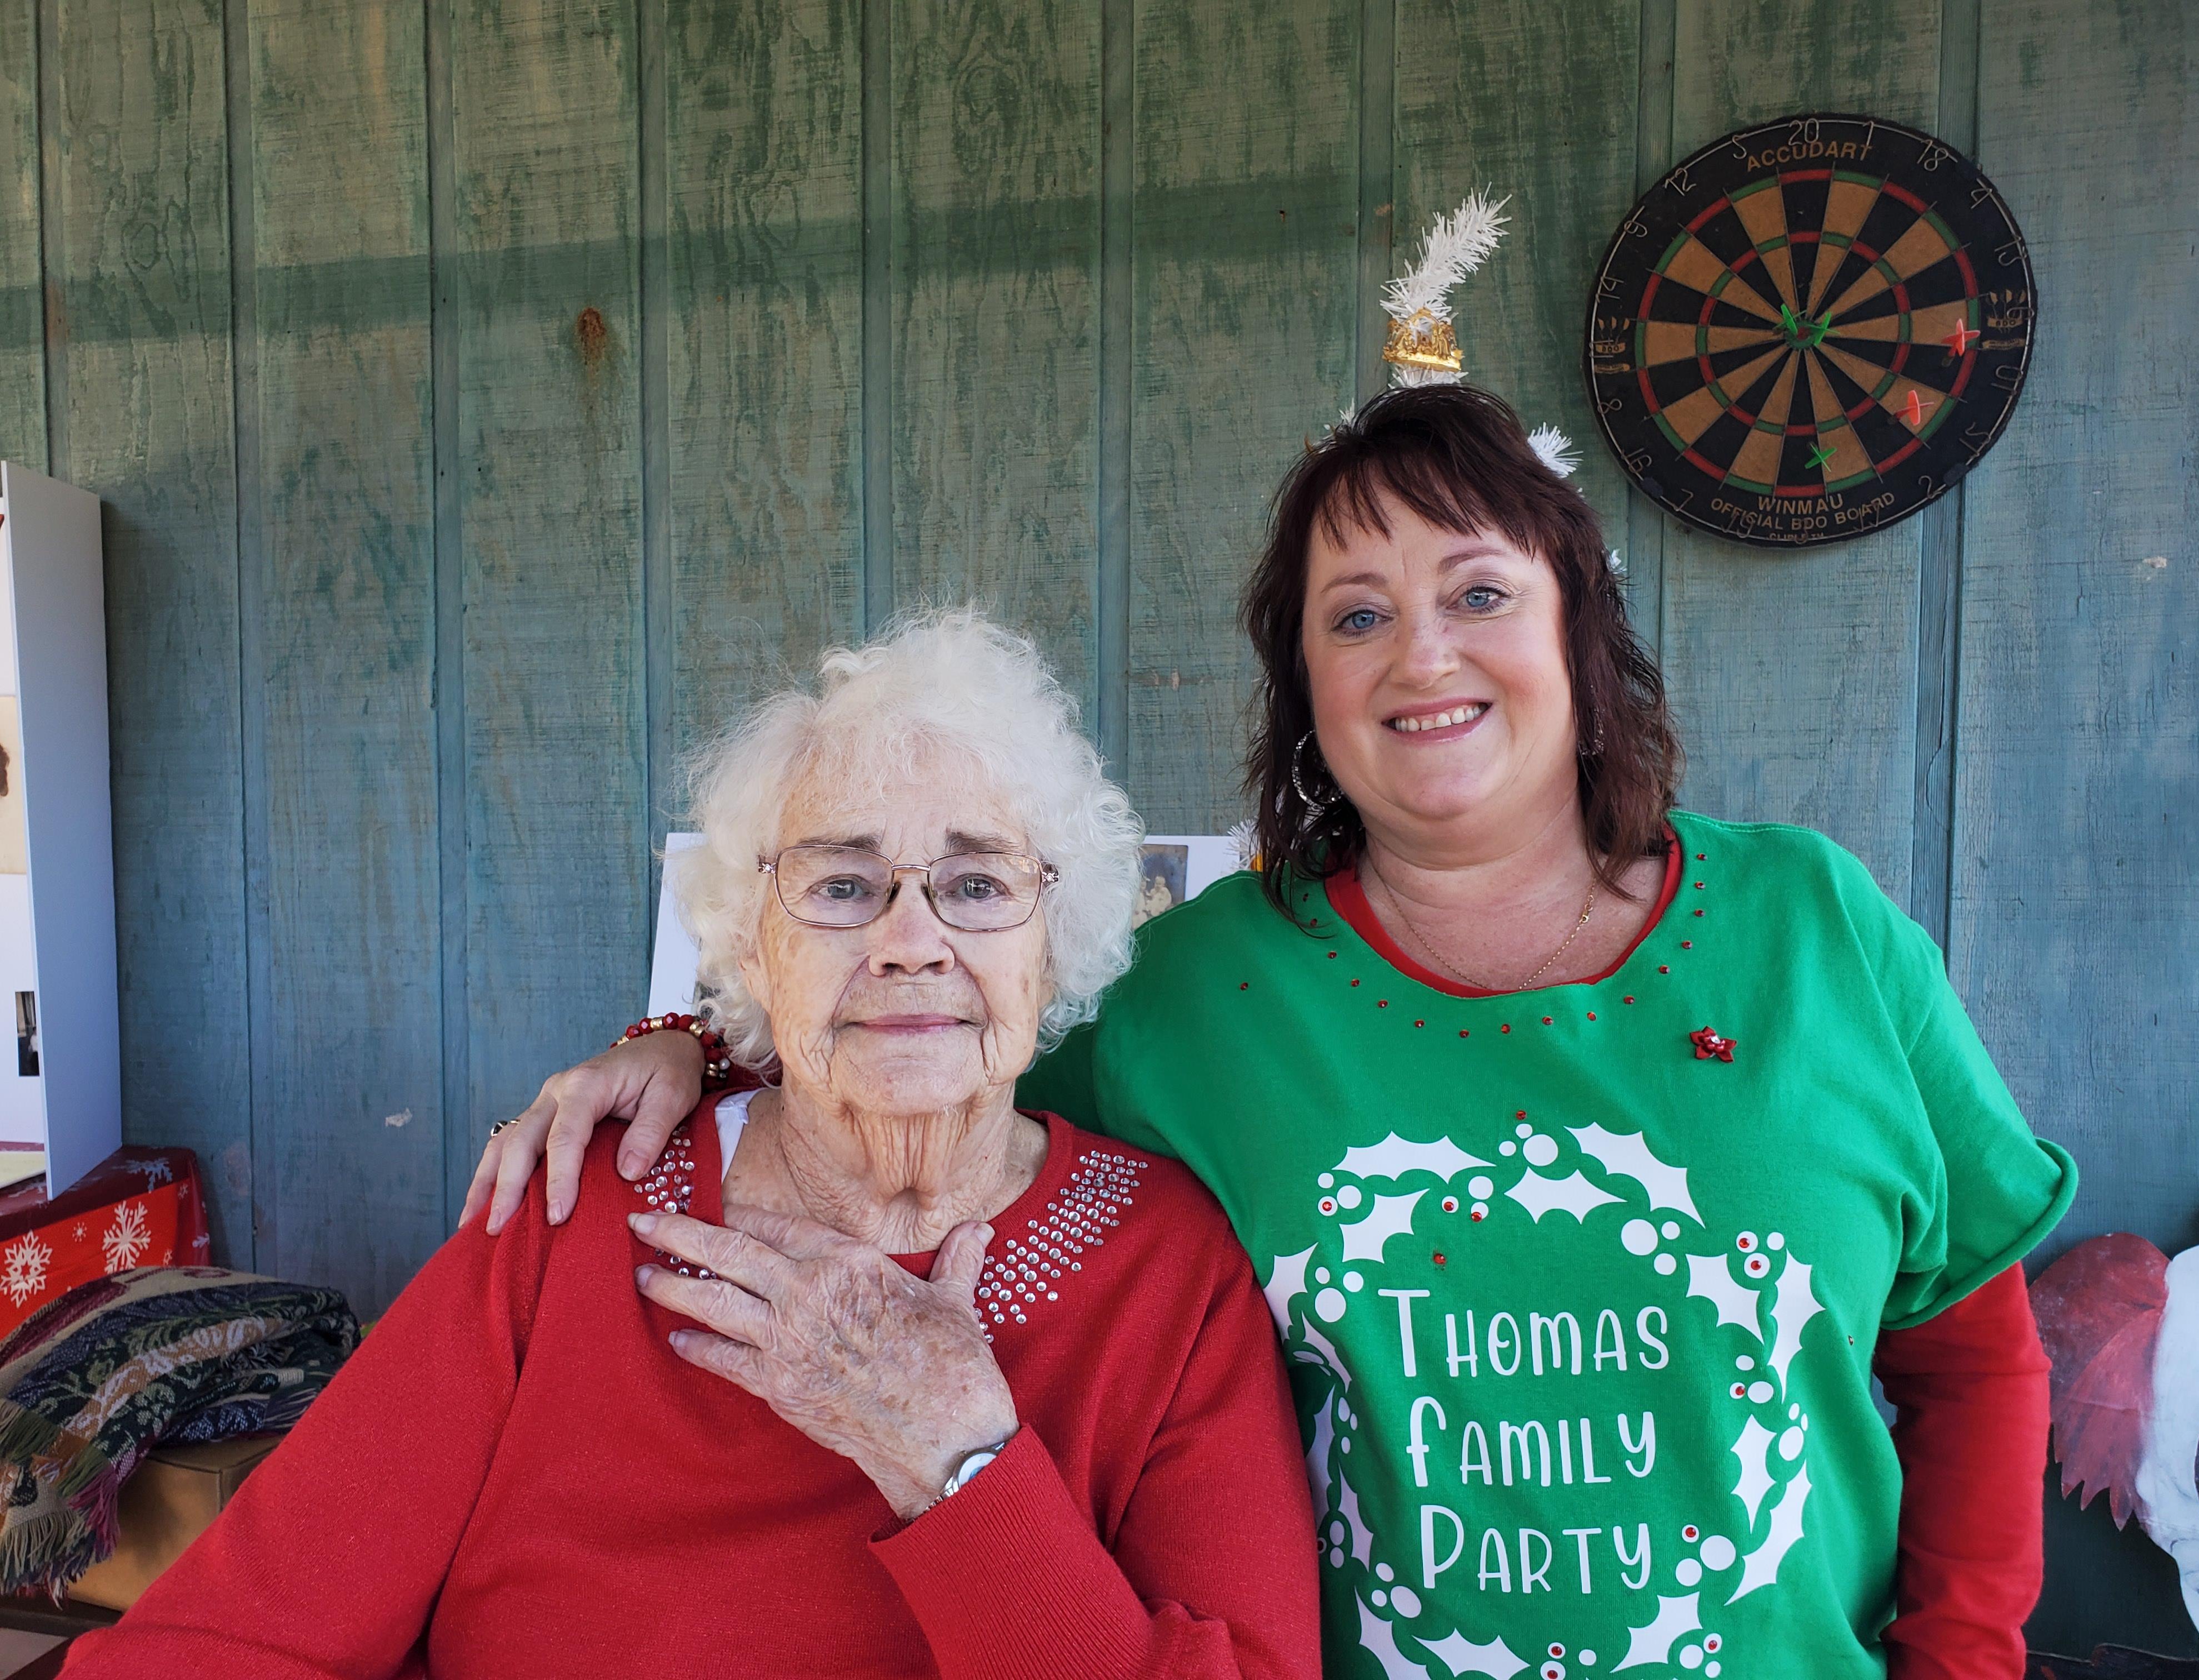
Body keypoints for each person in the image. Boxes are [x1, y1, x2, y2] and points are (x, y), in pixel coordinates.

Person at [472, 386, 2076, 1679]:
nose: (1422, 653)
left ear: (1577, 624)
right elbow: (917, 1040)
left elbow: (1975, 1354)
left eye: (1478, 592)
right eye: (1355, 616)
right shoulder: (1194, 995)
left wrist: (1965, 1661)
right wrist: (687, 1038)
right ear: (1303, 681)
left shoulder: (1817, 928)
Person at [66, 613, 1319, 1680]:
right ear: (749, 950)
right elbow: (241, 1635)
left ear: (1056, 945)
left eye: (980, 887)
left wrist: (958, 1463)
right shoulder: (576, 1202)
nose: (911, 940)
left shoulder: (1168, 1271)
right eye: (840, 886)